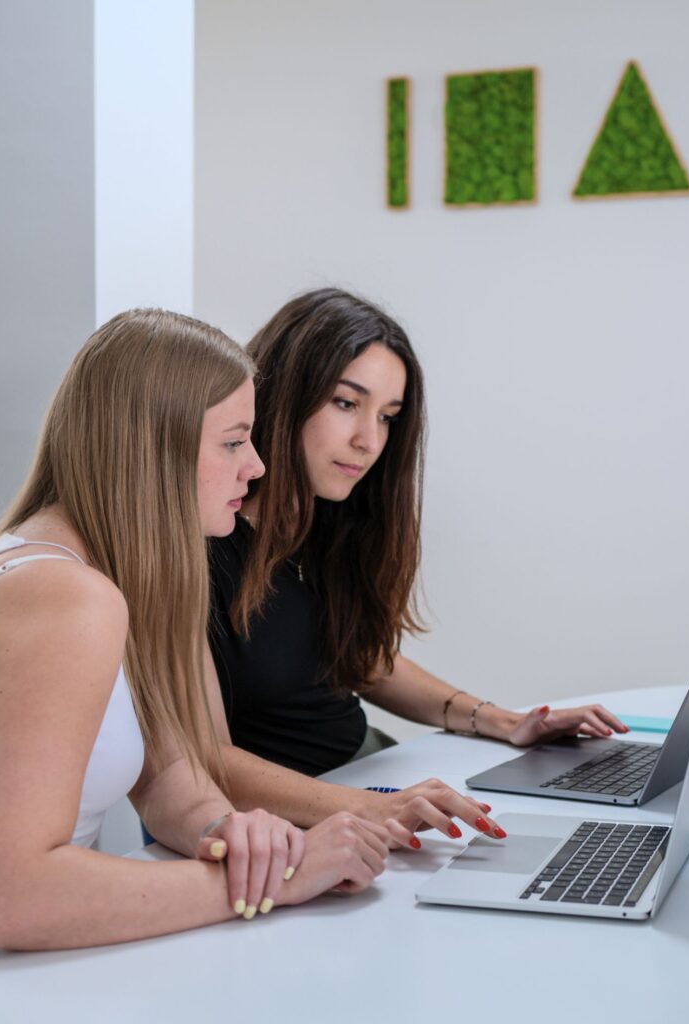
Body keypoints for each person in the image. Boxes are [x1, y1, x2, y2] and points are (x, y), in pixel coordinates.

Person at [0, 310, 389, 1018]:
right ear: (151, 450)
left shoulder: (122, 578)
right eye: (234, 441)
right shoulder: (64, 597)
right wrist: (273, 880)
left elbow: (171, 787)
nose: (255, 466)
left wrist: (234, 835)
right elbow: (6, 898)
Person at [206, 289, 625, 847]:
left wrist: (507, 722)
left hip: (364, 777)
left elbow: (358, 658)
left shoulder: (325, 523)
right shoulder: (205, 543)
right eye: (346, 403)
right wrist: (378, 808)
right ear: (281, 392)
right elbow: (200, 761)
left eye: (387, 417)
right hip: (302, 818)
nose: (369, 441)